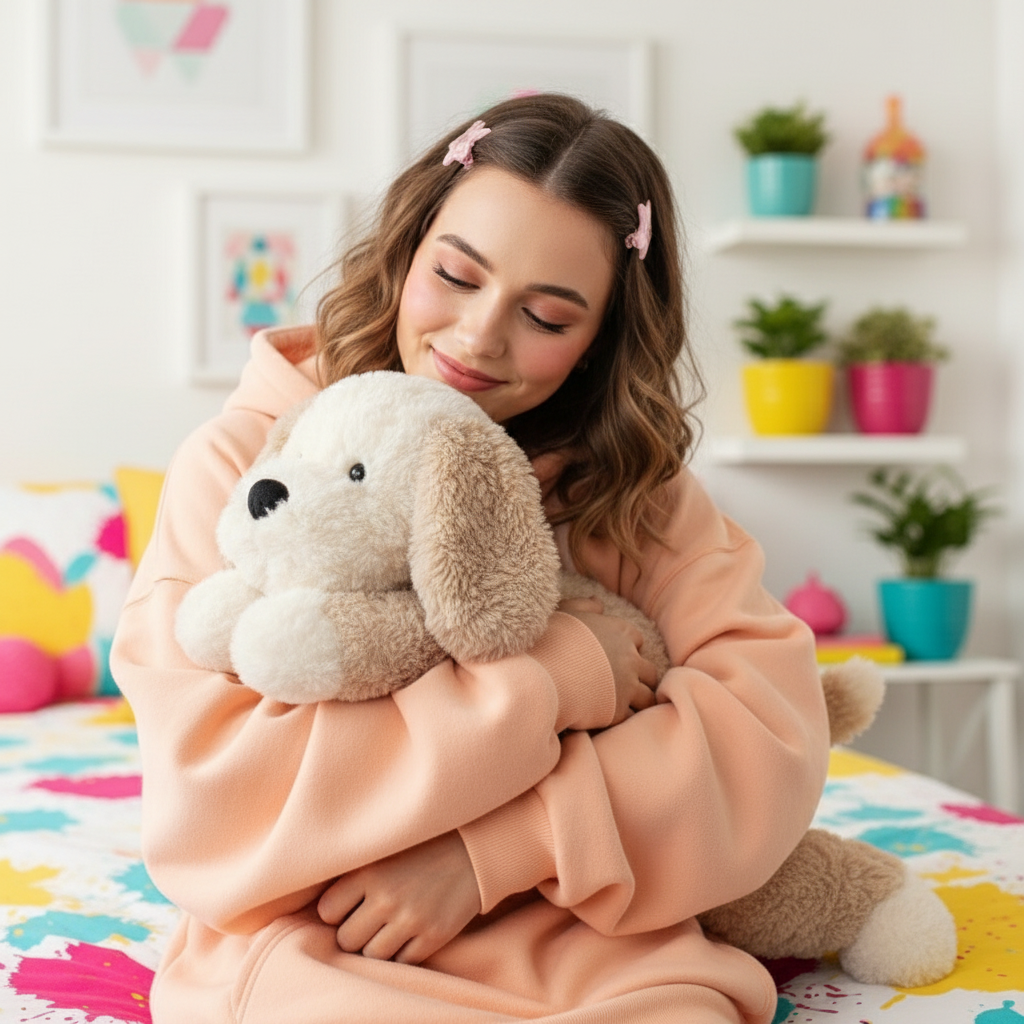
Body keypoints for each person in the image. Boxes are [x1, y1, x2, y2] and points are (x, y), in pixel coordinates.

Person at [112, 93, 829, 1024]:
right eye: (456, 275)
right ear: (409, 250)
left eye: (547, 315)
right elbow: (222, 783)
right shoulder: (246, 466)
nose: (481, 336)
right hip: (322, 936)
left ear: (600, 341)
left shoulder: (639, 497)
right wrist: (571, 672)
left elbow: (763, 731)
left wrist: (503, 848)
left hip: (597, 948)